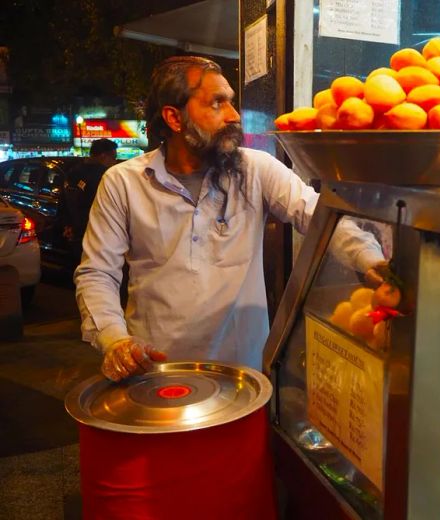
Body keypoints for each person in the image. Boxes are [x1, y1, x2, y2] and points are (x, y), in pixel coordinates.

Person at [74, 56, 385, 382]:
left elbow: (319, 216)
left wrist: (371, 261)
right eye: (217, 103)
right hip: (156, 373)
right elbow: (97, 274)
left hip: (241, 377)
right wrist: (115, 340)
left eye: (231, 102)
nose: (234, 115)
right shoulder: (123, 182)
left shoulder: (256, 169)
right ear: (174, 117)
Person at [62, 138, 118, 265]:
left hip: (76, 231)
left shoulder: (73, 172)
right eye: (113, 158)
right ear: (103, 156)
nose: (114, 162)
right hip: (98, 232)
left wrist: (68, 224)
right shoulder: (104, 176)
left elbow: (64, 200)